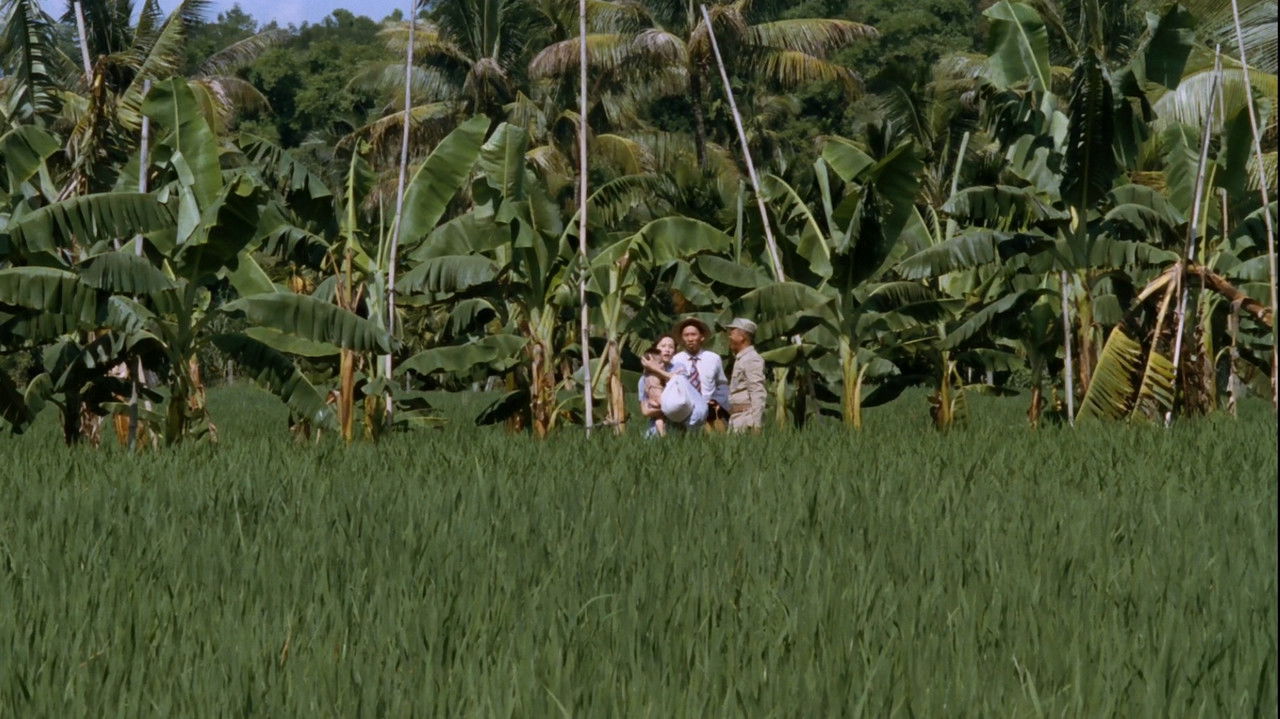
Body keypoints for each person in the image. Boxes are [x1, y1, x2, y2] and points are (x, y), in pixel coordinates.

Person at [671, 317, 729, 430]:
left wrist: (719, 402)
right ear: (682, 338)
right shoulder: (675, 360)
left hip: (710, 412)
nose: (690, 338)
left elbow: (722, 384)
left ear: (701, 337)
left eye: (693, 334)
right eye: (686, 335)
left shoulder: (713, 358)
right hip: (685, 411)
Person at [723, 318, 766, 432]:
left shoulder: (751, 359)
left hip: (746, 419)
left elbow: (757, 391)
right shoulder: (741, 359)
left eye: (732, 333)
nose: (729, 337)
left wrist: (757, 425)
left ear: (742, 337)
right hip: (737, 418)